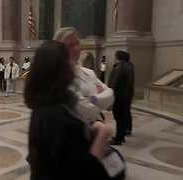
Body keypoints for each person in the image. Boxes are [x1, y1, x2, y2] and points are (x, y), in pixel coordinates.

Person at [24, 41, 112, 180]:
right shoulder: (57, 115)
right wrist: (103, 134)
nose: (74, 65)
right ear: (61, 69)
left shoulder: (43, 105)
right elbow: (86, 172)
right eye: (70, 60)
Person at [53, 27, 114, 123]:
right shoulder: (56, 77)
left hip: (97, 129)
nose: (76, 48)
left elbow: (111, 95)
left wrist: (92, 99)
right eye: (70, 45)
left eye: (77, 44)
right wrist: (99, 99)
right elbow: (85, 110)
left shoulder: (89, 72)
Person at [108, 51, 134, 145]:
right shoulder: (129, 67)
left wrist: (109, 96)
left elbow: (114, 84)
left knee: (119, 117)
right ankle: (121, 136)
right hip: (126, 95)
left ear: (117, 57)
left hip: (119, 96)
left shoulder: (119, 68)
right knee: (123, 116)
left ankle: (118, 138)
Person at [124, 55, 135, 136]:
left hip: (126, 93)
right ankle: (127, 128)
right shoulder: (129, 68)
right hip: (127, 93)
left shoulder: (128, 69)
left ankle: (127, 129)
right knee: (126, 111)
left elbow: (128, 82)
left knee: (126, 111)